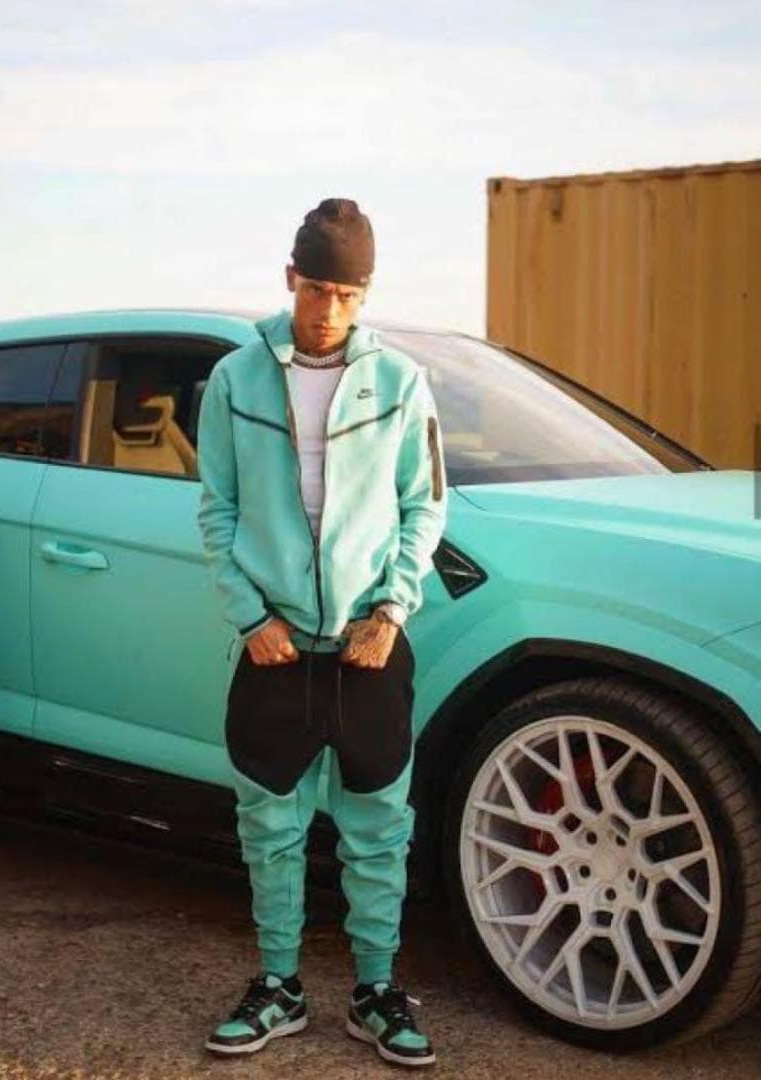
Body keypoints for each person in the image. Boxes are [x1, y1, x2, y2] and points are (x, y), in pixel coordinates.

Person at [196, 198, 447, 1068]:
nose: (328, 310)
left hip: (367, 646)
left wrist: (392, 610)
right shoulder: (235, 379)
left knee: (378, 829)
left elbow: (423, 506)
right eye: (316, 289)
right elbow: (217, 509)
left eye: (346, 295)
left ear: (363, 294)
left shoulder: (401, 383)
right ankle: (278, 986)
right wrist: (250, 615)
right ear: (290, 278)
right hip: (274, 645)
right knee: (269, 826)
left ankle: (376, 992)